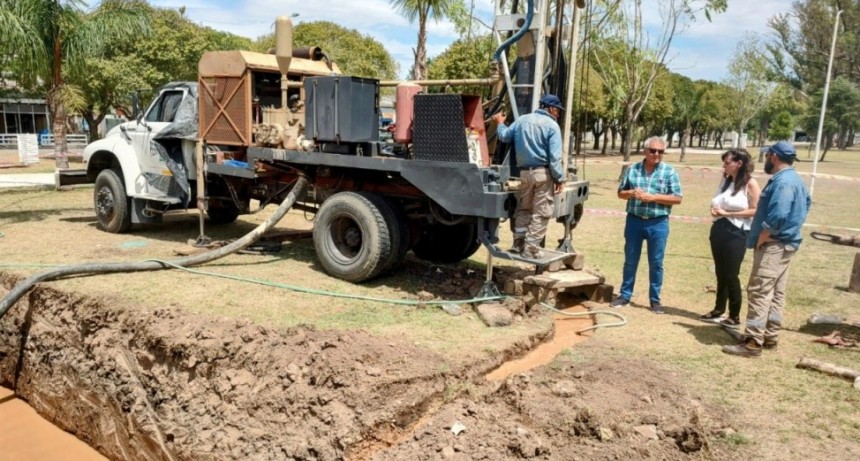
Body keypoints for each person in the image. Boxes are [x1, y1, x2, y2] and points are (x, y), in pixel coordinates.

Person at [723, 141, 811, 358]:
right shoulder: (795, 180)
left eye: (766, 156)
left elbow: (778, 216)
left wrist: (763, 237)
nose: (764, 160)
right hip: (787, 242)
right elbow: (806, 205)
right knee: (776, 292)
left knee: (759, 290)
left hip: (774, 244)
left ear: (773, 156)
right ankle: (770, 335)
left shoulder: (782, 183)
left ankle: (753, 342)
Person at [610, 136, 683, 314]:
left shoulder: (669, 172)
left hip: (658, 223)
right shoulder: (632, 169)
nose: (656, 154)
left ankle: (655, 300)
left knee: (656, 263)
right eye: (653, 150)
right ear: (645, 151)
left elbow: (677, 198)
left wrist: (653, 197)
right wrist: (631, 193)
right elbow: (620, 193)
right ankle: (625, 295)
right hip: (634, 221)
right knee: (630, 260)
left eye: (660, 151)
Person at [492, 94, 565, 259]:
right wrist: (559, 178)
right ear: (549, 108)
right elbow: (555, 158)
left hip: (524, 174)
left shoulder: (521, 120)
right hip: (543, 174)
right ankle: (532, 248)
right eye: (557, 110)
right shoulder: (552, 126)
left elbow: (504, 137)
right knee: (542, 212)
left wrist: (500, 124)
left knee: (524, 209)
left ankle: (518, 243)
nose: (558, 114)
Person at [700, 149, 761, 328]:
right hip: (719, 228)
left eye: (727, 162)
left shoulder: (750, 183)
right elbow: (717, 202)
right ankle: (719, 309)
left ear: (739, 164)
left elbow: (756, 209)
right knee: (720, 272)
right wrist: (715, 210)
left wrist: (730, 213)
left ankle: (734, 315)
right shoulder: (726, 181)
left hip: (737, 232)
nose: (724, 166)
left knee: (731, 274)